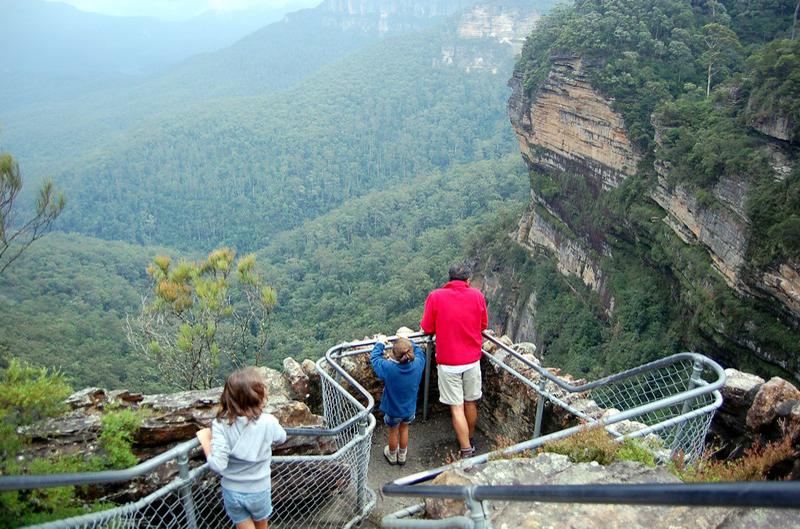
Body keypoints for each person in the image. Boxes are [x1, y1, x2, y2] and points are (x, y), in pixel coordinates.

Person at [196, 368, 287, 529]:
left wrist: (205, 440)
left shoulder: (221, 425)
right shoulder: (268, 421)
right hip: (260, 489)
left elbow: (218, 464)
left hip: (233, 491)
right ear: (258, 396)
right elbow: (282, 438)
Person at [420, 263, 487, 459]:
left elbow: (427, 327)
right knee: (470, 402)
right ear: (468, 280)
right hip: (472, 359)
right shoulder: (477, 296)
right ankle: (471, 437)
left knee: (456, 406)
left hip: (449, 361)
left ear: (449, 279)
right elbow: (483, 324)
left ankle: (466, 450)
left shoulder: (436, 296)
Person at [370, 334, 426, 466]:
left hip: (393, 409)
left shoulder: (390, 369)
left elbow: (375, 359)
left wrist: (380, 343)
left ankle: (392, 454)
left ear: (394, 355)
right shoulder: (418, 365)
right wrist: (408, 341)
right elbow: (420, 352)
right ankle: (402, 455)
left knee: (393, 432)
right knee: (404, 429)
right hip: (409, 409)